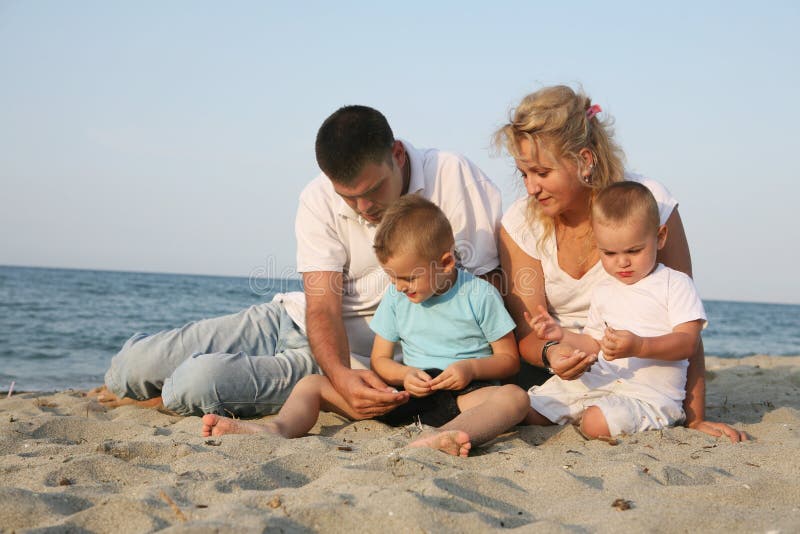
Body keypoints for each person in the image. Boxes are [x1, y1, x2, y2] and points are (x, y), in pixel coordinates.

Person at [92, 105, 503, 419]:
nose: (363, 208)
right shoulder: (317, 197)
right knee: (133, 365)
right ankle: (129, 388)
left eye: (373, 190)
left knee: (194, 383)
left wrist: (346, 377)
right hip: (290, 320)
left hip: (355, 357)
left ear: (396, 154)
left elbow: (486, 293)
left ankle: (156, 399)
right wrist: (339, 376)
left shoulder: (453, 177)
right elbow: (321, 305)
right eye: (348, 196)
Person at [495, 85, 746, 442]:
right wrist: (554, 352)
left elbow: (682, 321)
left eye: (542, 172)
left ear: (584, 160)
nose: (531, 188)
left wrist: (695, 419)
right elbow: (529, 335)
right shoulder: (522, 222)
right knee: (520, 408)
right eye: (524, 174)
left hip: (645, 374)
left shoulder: (648, 204)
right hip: (566, 367)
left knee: (600, 419)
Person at [202, 196, 530, 456]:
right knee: (313, 384)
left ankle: (450, 435)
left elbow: (508, 359)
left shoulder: (479, 294)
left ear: (445, 262)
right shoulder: (397, 297)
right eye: (392, 277)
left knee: (514, 397)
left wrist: (470, 369)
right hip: (408, 395)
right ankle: (278, 429)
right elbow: (381, 361)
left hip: (462, 396)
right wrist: (403, 376)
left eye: (408, 277)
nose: (400, 286)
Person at [524, 182, 706, 438]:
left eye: (634, 250)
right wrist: (561, 334)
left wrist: (640, 346)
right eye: (608, 253)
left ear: (660, 237)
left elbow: (688, 342)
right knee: (529, 407)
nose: (622, 262)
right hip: (601, 383)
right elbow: (594, 343)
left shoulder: (675, 284)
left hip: (649, 397)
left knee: (595, 423)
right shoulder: (604, 289)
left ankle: (590, 415)